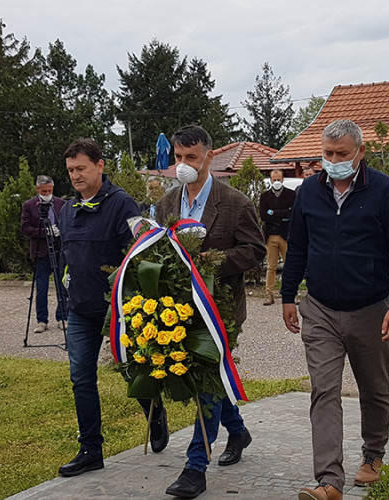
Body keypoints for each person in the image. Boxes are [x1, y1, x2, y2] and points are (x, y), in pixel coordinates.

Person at [281, 120, 389, 500]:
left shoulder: (384, 190)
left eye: (342, 154)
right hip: (320, 309)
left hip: (371, 309)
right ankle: (329, 482)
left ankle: (373, 454)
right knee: (324, 391)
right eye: (327, 154)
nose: (334, 161)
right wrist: (289, 296)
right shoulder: (309, 190)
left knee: (374, 388)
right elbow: (298, 247)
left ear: (360, 153)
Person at [149, 125, 266, 498]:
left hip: (222, 310)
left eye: (191, 158)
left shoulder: (235, 202)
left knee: (208, 382)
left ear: (209, 157)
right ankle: (238, 430)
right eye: (178, 158)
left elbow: (255, 251)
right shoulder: (167, 203)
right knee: (210, 380)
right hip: (179, 310)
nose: (184, 165)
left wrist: (210, 262)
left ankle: (195, 466)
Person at [56, 139, 171, 478]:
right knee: (81, 378)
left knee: (133, 370)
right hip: (79, 310)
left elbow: (139, 254)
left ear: (100, 165)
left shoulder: (122, 205)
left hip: (117, 310)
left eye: (81, 168)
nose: (76, 176)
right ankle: (91, 449)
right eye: (71, 171)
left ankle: (154, 411)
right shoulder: (67, 209)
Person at [21, 175, 67, 333]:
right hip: (41, 252)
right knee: (42, 287)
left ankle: (62, 317)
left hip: (59, 250)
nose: (47, 193)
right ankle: (42, 320)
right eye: (44, 191)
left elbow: (69, 223)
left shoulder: (61, 204)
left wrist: (61, 231)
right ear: (37, 189)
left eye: (50, 190)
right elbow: (25, 228)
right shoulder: (29, 205)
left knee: (62, 286)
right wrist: (45, 232)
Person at [259, 169, 296, 306]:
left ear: (283, 180)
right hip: (271, 236)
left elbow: (292, 212)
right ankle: (269, 295)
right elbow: (263, 215)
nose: (276, 182)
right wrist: (283, 216)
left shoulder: (291, 195)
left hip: (286, 236)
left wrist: (274, 213)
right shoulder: (265, 196)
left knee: (290, 266)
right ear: (270, 180)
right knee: (271, 267)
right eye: (274, 180)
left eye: (278, 179)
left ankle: (291, 294)